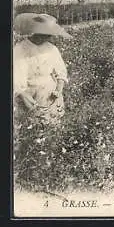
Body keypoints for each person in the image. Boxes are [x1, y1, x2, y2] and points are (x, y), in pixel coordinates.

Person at [13, 13, 72, 189]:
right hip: (31, 94)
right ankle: (31, 172)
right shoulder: (20, 50)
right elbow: (17, 78)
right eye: (44, 34)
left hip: (52, 94)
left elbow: (61, 72)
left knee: (53, 130)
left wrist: (58, 89)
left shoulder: (51, 49)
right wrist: (23, 95)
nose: (47, 37)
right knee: (33, 132)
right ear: (35, 32)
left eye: (49, 35)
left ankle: (51, 167)